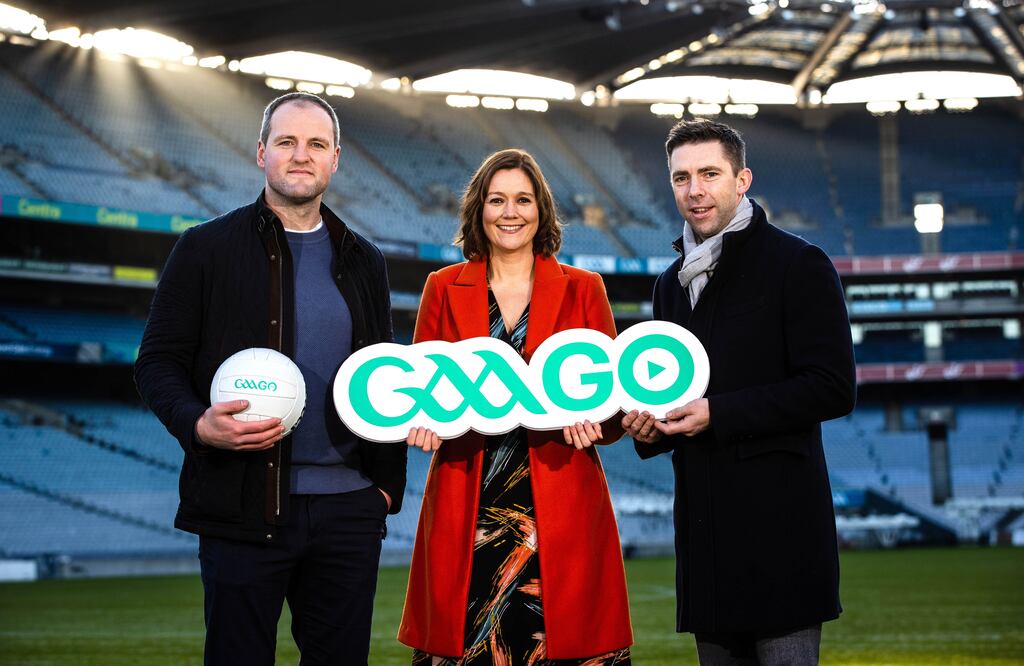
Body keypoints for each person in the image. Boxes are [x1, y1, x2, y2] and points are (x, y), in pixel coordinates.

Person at [134, 92, 406, 666]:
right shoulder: (205, 248)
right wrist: (198, 426)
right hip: (242, 506)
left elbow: (384, 371)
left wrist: (382, 491)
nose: (300, 155)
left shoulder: (365, 260)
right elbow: (157, 362)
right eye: (286, 142)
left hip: (348, 512)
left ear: (337, 159)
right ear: (261, 153)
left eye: (316, 144)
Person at [621, 119, 856, 665]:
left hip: (781, 535)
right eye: (681, 178)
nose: (695, 190)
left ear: (742, 179)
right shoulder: (669, 282)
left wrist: (716, 414)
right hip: (707, 541)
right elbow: (675, 397)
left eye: (709, 174)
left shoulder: (797, 263)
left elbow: (832, 387)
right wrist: (649, 428)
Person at [397, 149, 633, 664]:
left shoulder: (584, 288)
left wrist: (597, 422)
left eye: (523, 200)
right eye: (497, 199)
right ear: (478, 210)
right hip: (469, 500)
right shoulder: (441, 287)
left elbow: (615, 404)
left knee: (566, 642)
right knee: (466, 644)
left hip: (561, 496)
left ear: (541, 210)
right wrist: (418, 423)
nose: (510, 212)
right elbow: (419, 392)